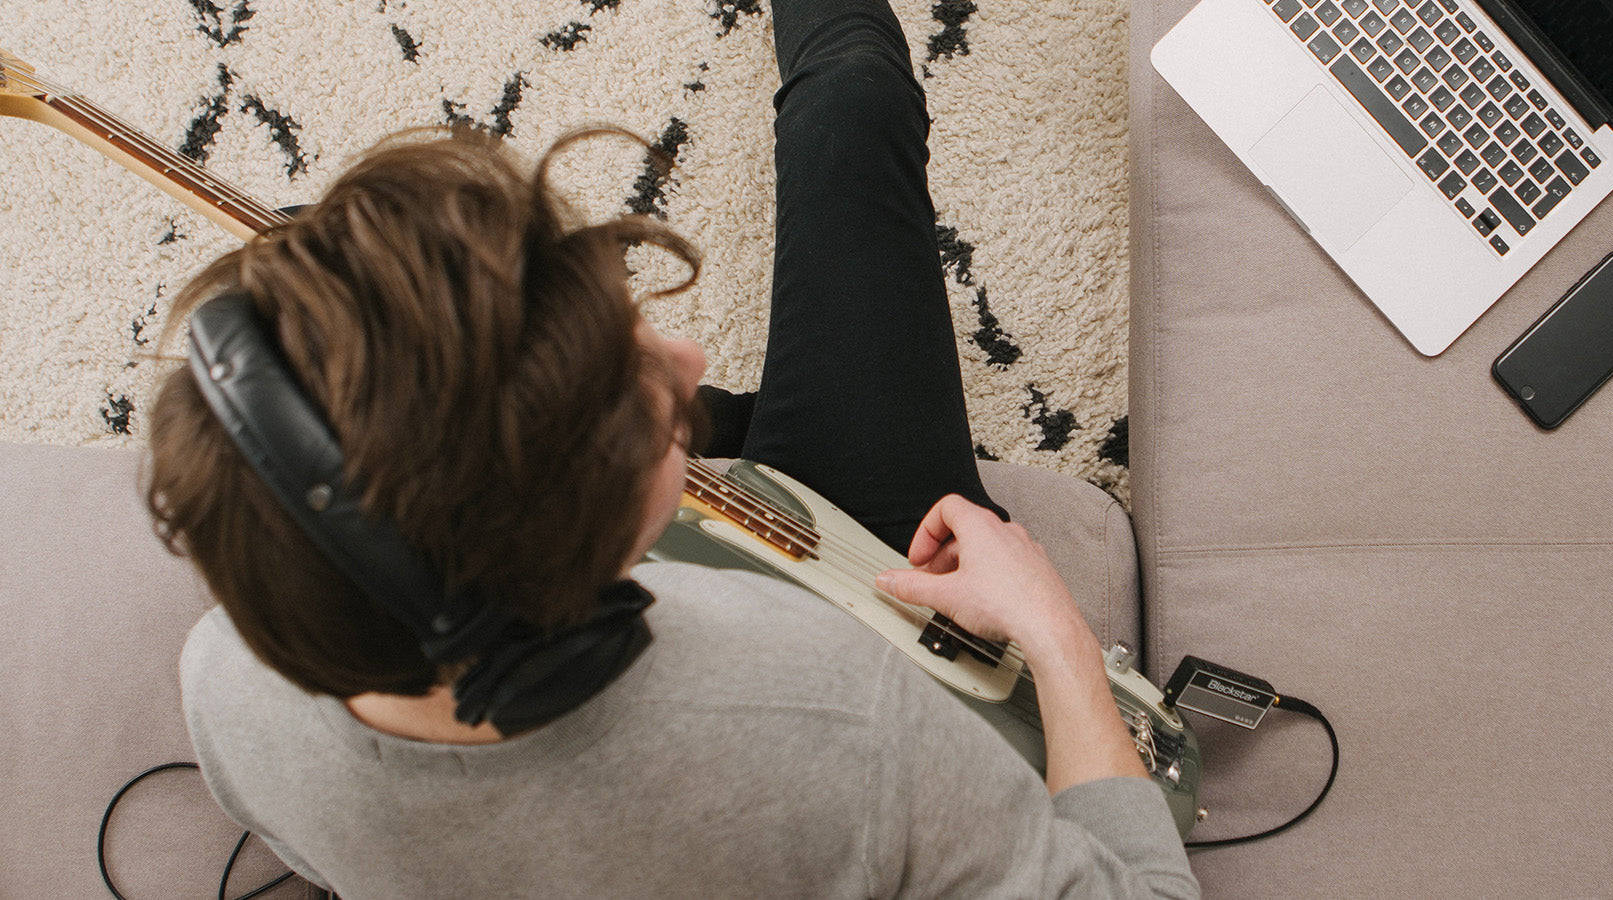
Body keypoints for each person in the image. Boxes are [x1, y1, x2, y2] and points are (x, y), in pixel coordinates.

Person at [146, 0, 1199, 896]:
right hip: (867, 571)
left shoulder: (228, 684)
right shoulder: (837, 714)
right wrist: (1057, 637)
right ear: (595, 569)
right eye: (641, 410)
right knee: (851, 107)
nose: (686, 355)